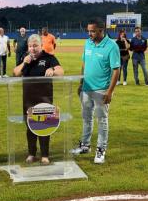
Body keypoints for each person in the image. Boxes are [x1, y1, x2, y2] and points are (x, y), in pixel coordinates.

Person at [71, 20, 120, 164]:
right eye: (88, 31)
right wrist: (81, 83)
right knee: (86, 118)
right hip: (86, 88)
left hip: (101, 90)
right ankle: (85, 146)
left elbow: (116, 70)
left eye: (92, 31)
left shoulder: (111, 46)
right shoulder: (88, 43)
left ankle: (100, 150)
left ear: (101, 30)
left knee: (102, 120)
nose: (89, 34)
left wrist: (110, 92)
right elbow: (84, 63)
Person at [13, 34, 64, 165]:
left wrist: (53, 70)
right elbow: (16, 73)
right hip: (28, 99)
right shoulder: (26, 59)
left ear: (41, 46)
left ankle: (45, 155)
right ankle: (31, 154)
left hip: (44, 99)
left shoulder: (49, 58)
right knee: (30, 127)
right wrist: (24, 62)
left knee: (44, 127)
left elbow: (61, 71)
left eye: (35, 46)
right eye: (30, 46)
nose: (32, 49)